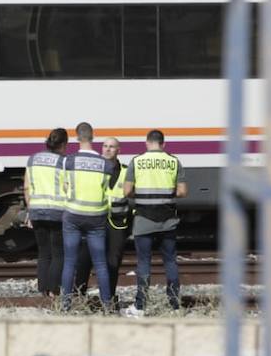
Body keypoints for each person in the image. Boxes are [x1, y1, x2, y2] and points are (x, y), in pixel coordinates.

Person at [123, 129, 187, 316]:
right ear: (163, 144)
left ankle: (140, 307)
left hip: (144, 219)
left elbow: (126, 191)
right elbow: (183, 192)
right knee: (170, 261)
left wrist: (142, 195)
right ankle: (175, 306)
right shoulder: (174, 161)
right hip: (168, 221)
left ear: (147, 143)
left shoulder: (137, 161)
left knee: (144, 262)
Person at [59, 122, 118, 312]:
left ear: (77, 137)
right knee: (100, 263)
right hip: (96, 218)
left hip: (73, 215)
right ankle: (107, 306)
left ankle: (65, 306)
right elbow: (106, 189)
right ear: (93, 137)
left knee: (69, 262)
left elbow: (64, 187)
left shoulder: (68, 161)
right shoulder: (106, 164)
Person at [74, 137, 130, 297]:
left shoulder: (127, 171)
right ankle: (78, 295)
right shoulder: (93, 169)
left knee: (113, 262)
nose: (107, 149)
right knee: (84, 259)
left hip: (117, 224)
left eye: (112, 147)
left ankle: (109, 298)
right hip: (94, 219)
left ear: (119, 150)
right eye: (105, 146)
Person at [24, 127, 68, 297]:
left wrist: (30, 209)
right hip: (57, 212)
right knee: (58, 253)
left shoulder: (32, 159)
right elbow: (66, 187)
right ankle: (54, 290)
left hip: (36, 211)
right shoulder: (63, 162)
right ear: (64, 144)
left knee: (43, 253)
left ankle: (43, 290)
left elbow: (27, 186)